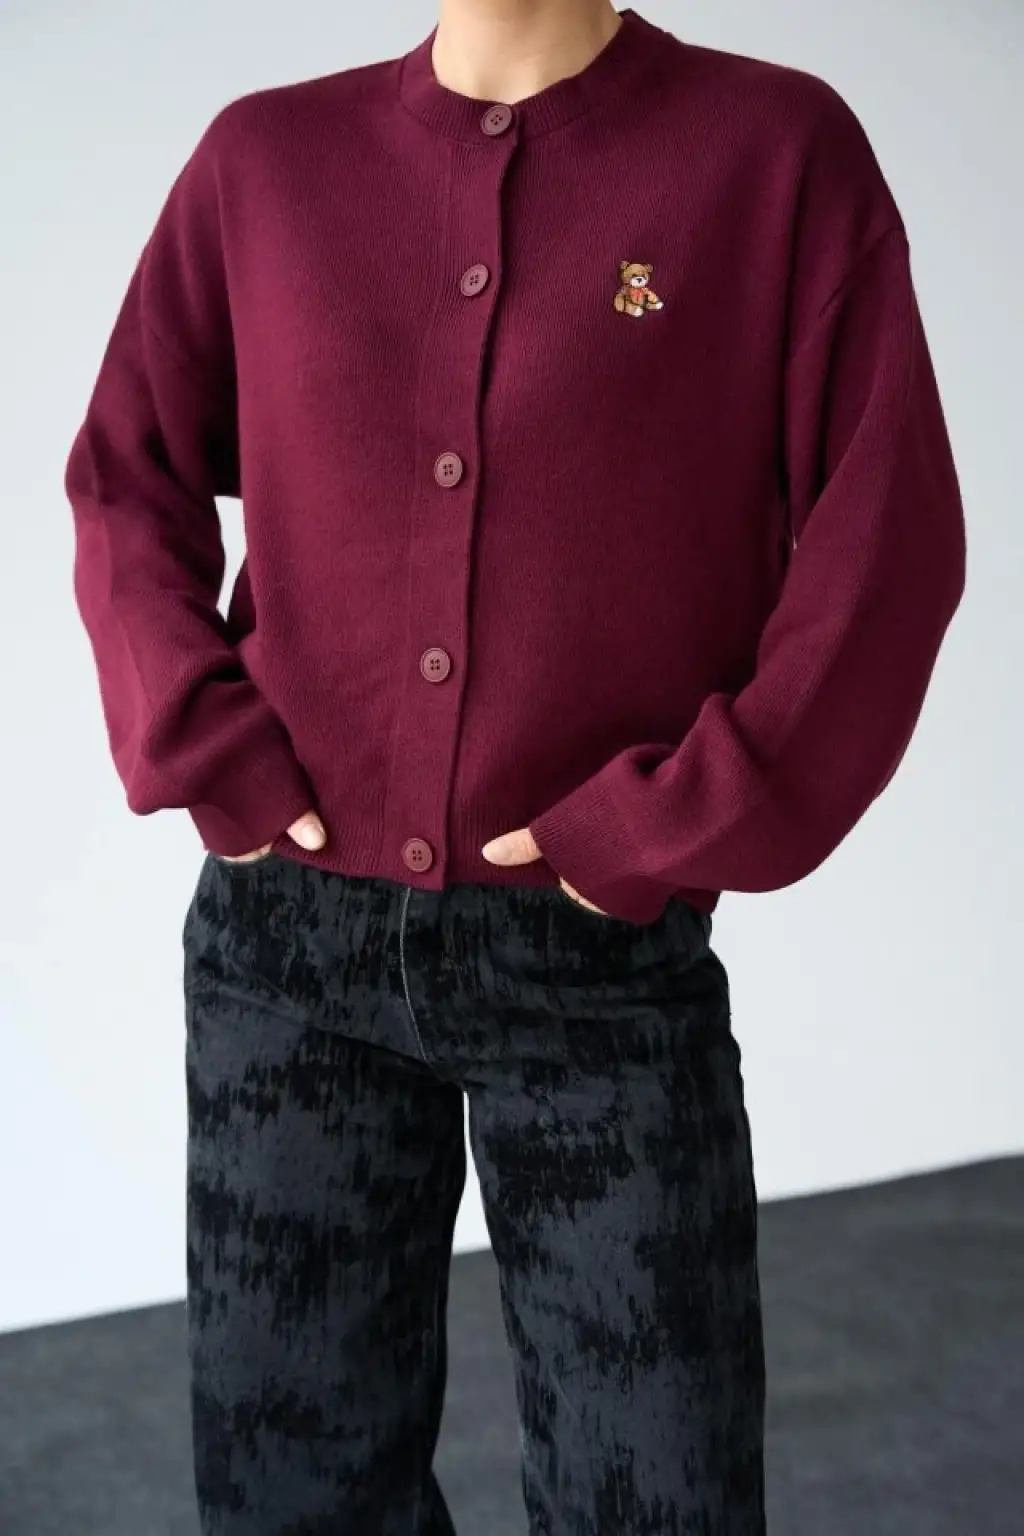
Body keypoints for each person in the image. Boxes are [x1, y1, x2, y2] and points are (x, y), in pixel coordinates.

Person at [64, 1, 966, 1530]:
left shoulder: (773, 152)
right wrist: (203, 740)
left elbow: (888, 544)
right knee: (296, 1492)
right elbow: (124, 473)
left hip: (597, 963)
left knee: (658, 1494)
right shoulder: (262, 163)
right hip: (288, 963)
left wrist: (680, 824)